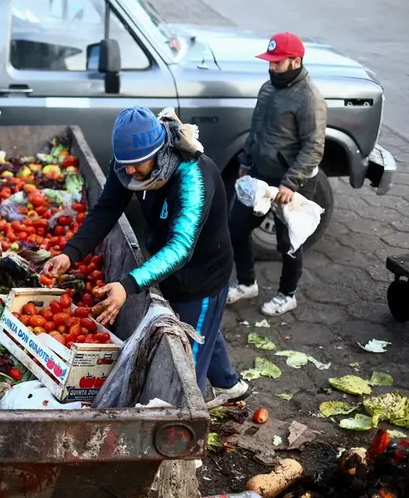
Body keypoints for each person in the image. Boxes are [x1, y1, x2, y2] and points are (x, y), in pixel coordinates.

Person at [43, 106, 249, 406]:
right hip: (165, 266)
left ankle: (186, 418)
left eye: (135, 165)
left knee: (185, 367)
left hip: (200, 277)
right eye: (124, 165)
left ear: (158, 152)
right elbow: (107, 209)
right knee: (202, 329)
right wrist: (70, 254)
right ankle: (230, 385)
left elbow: (181, 248)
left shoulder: (192, 177)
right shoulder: (128, 163)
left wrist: (127, 286)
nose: (128, 172)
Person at [226, 32, 327, 316]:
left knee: (288, 242)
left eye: (277, 62)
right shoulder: (268, 89)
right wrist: (246, 162)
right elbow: (256, 129)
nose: (271, 67)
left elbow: (314, 147)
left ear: (295, 61)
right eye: (270, 62)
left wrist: (290, 184)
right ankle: (246, 283)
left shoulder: (310, 98)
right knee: (237, 226)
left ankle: (287, 294)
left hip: (293, 183)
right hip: (260, 174)